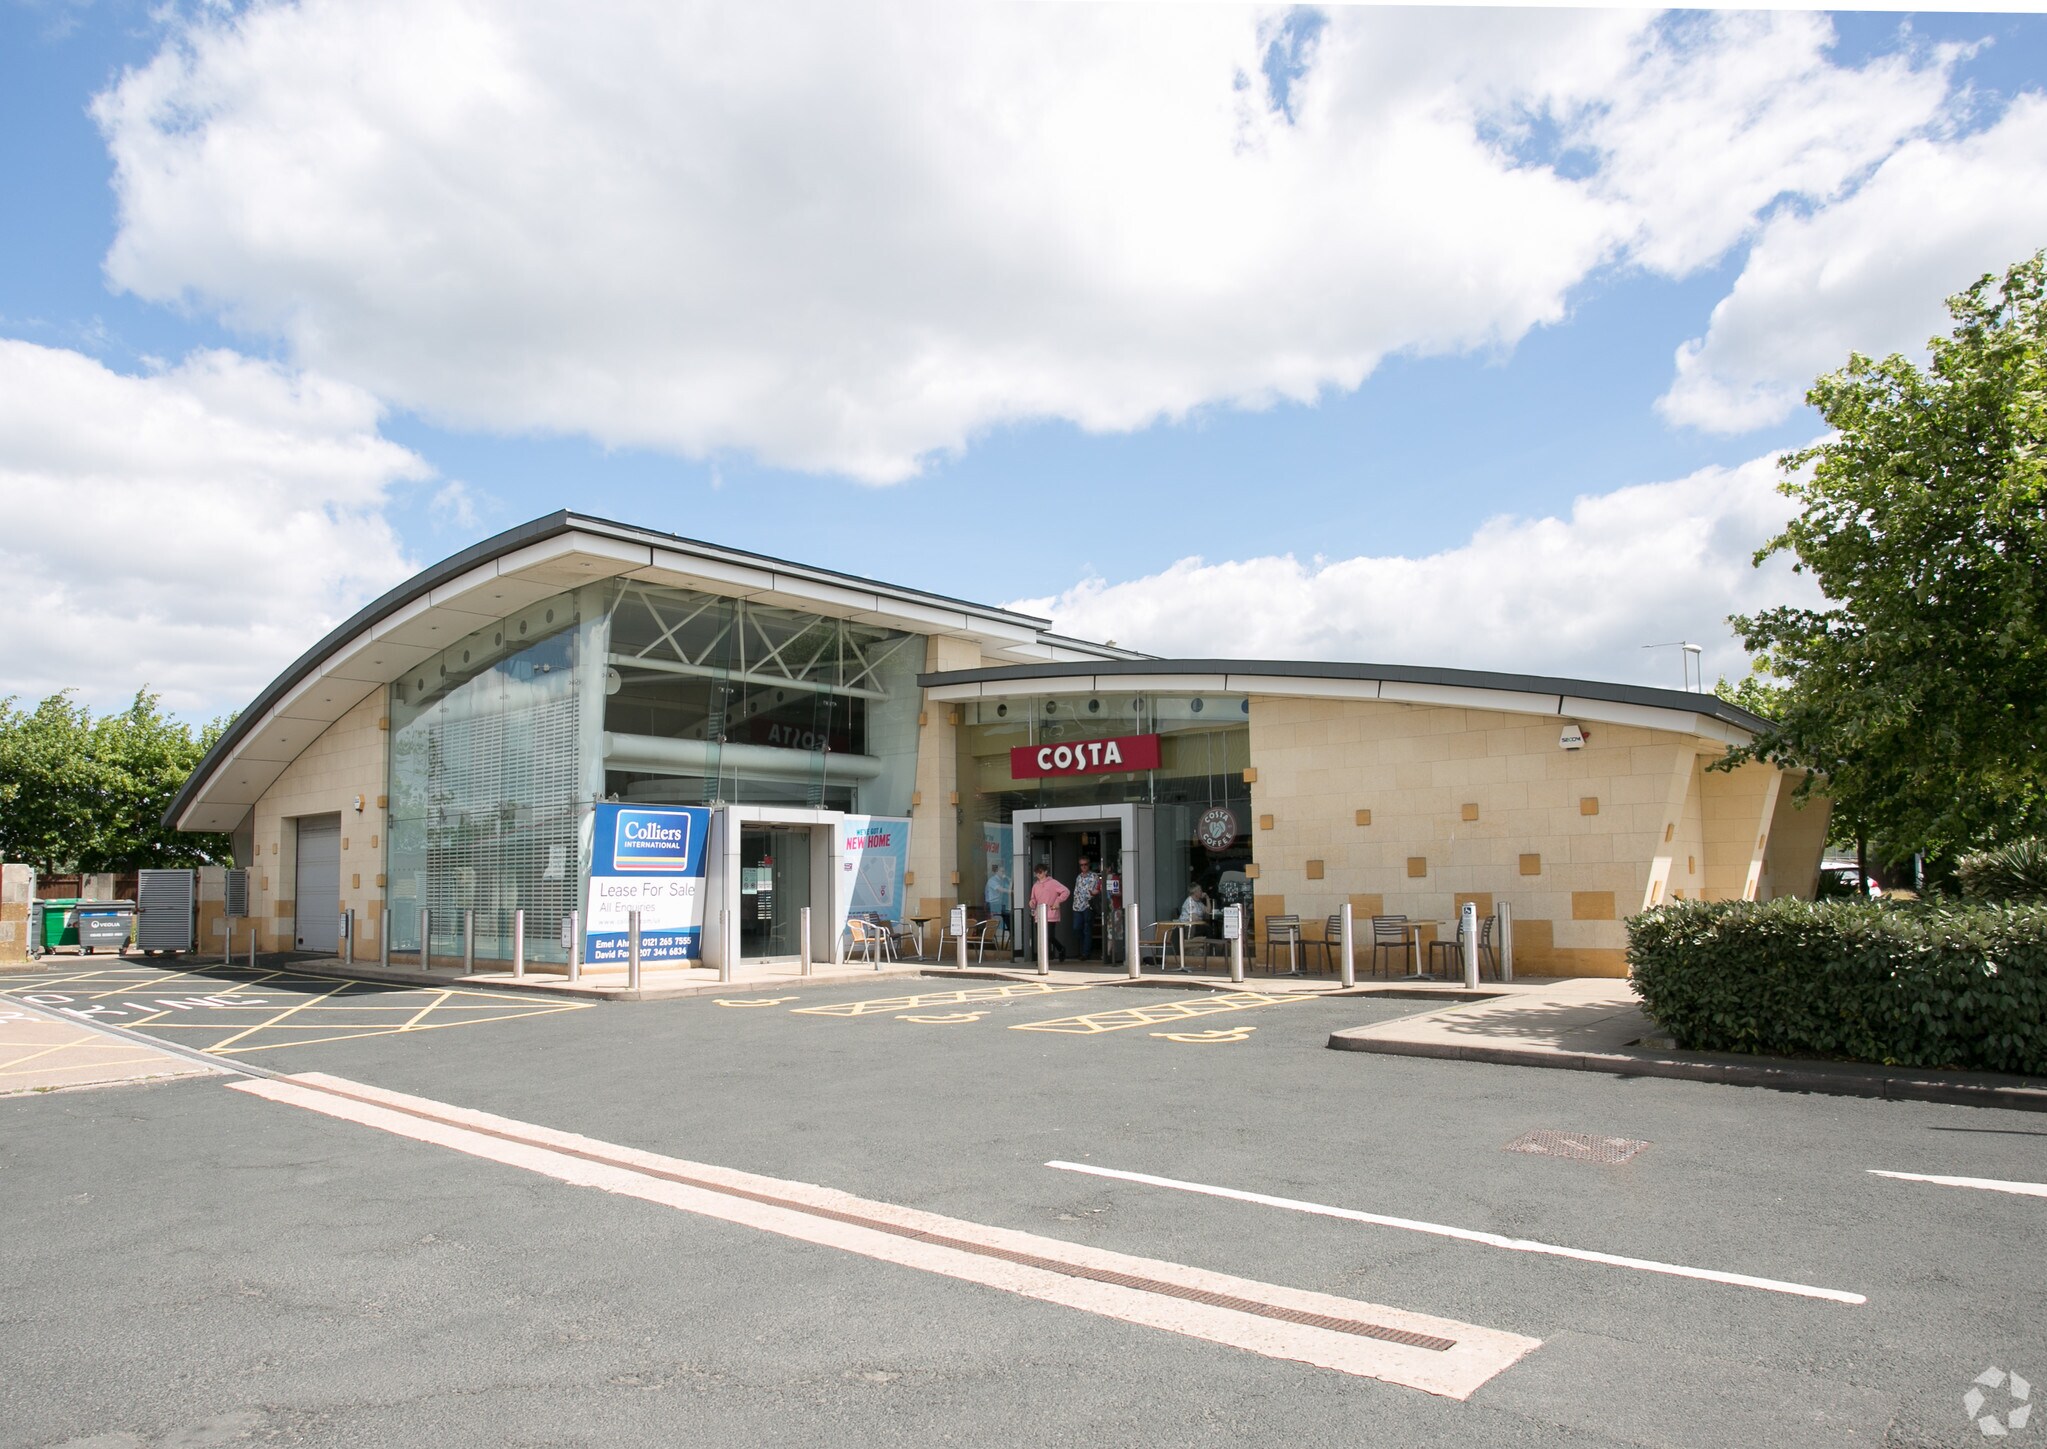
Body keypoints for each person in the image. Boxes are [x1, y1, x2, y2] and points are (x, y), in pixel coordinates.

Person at [1027, 863, 1070, 963]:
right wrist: (1032, 903)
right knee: (1040, 937)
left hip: (1051, 913)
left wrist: (1057, 901)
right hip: (1039, 914)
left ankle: (1058, 950)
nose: (1038, 874)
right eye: (1036, 872)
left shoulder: (1053, 883)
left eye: (1040, 872)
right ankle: (1043, 959)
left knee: (1049, 936)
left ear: (1045, 872)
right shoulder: (1035, 886)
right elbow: (1033, 899)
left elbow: (1066, 891)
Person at [1071, 856, 1103, 960]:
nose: (1083, 866)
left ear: (1088, 865)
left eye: (1085, 864)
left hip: (1088, 905)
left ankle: (1086, 952)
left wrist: (1093, 895)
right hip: (1077, 906)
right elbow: (1076, 890)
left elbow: (1098, 889)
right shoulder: (1078, 877)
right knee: (1076, 928)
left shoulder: (1094, 876)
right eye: (1081, 865)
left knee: (1087, 929)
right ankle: (1086, 946)